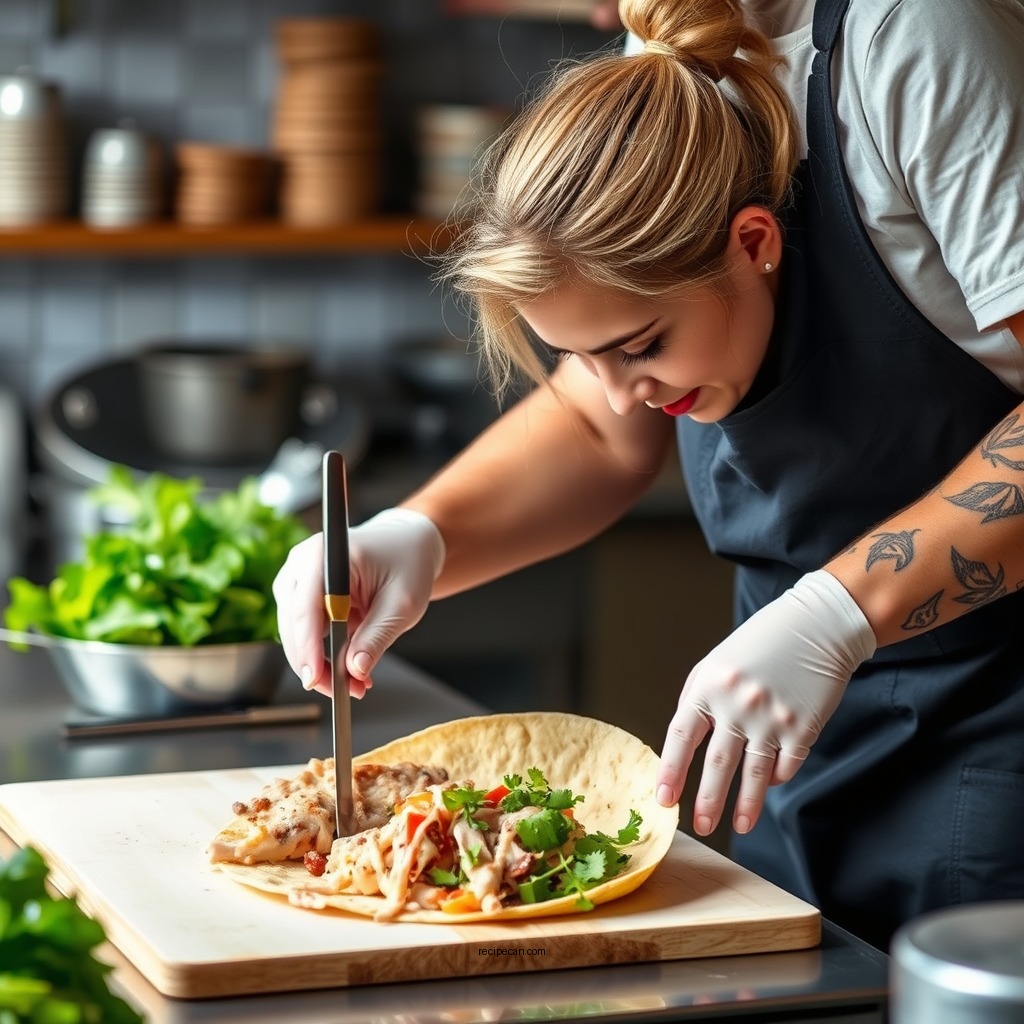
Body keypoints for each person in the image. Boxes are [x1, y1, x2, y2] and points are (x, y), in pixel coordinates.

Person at [274, 0, 1024, 950]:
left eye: (644, 346)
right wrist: (423, 535)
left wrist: (840, 610)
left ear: (755, 244)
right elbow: (599, 424)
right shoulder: (678, 46)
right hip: (782, 743)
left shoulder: (917, 41)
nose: (625, 393)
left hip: (995, 730)